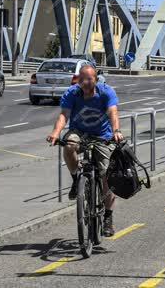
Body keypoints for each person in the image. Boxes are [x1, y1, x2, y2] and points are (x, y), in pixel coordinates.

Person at [46, 63, 124, 237]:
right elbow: (64, 115)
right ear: (78, 80)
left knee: (106, 176)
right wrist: (55, 133)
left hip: (103, 136)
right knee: (68, 145)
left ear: (95, 79)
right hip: (79, 133)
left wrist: (116, 131)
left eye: (89, 79)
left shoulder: (106, 92)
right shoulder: (72, 93)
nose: (85, 82)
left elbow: (113, 113)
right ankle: (76, 179)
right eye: (82, 79)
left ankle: (108, 218)